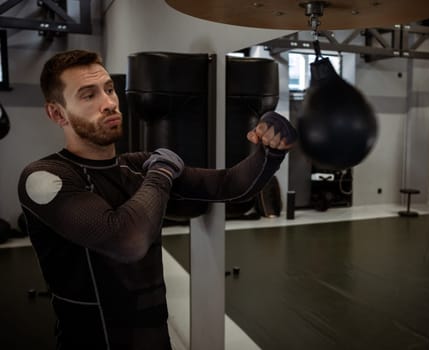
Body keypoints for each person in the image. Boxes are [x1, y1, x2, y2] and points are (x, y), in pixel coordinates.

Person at [17, 49, 297, 350]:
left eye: (109, 90)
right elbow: (127, 241)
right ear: (57, 113)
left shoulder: (137, 166)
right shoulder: (44, 177)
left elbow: (229, 185)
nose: (109, 103)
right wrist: (162, 171)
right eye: (88, 96)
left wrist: (271, 151)